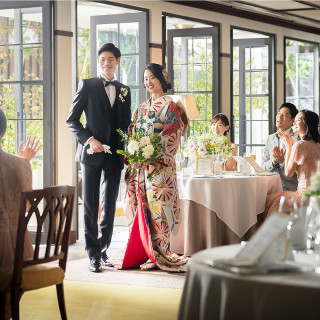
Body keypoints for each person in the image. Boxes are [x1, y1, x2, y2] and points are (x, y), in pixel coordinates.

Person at [66, 43, 131, 273]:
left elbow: (125, 125)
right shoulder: (87, 85)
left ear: (118, 61)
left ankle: (103, 250)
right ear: (98, 61)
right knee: (91, 206)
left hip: (114, 156)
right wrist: (89, 140)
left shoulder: (125, 90)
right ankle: (92, 254)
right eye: (102, 59)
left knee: (110, 204)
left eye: (110, 59)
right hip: (91, 154)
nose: (106, 63)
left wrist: (129, 149)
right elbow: (72, 120)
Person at [121, 63, 189, 272]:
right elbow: (132, 135)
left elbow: (172, 135)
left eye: (152, 77)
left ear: (162, 79)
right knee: (142, 209)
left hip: (160, 167)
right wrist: (134, 155)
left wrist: (151, 153)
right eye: (145, 78)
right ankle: (146, 251)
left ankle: (162, 252)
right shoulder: (141, 108)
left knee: (160, 209)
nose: (148, 82)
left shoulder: (171, 106)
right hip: (141, 167)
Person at [0, 109, 41, 319]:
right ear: (4, 132)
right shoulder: (18, 163)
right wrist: (24, 161)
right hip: (19, 254)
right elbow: (25, 208)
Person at [264, 109, 320, 217]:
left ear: (306, 123)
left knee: (268, 200)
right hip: (316, 195)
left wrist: (289, 146)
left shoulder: (299, 145)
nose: (294, 123)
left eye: (298, 120)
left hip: (304, 196)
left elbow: (288, 173)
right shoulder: (317, 144)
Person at [261, 103, 299, 191]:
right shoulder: (270, 138)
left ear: (292, 120)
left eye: (285, 114)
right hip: (270, 187)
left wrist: (282, 162)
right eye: (279, 113)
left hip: (291, 188)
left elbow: (300, 171)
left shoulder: (298, 139)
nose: (280, 116)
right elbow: (262, 167)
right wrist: (273, 161)